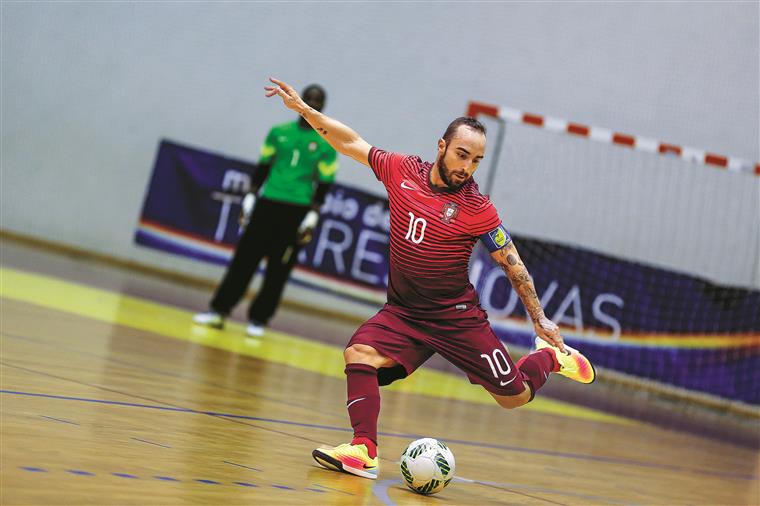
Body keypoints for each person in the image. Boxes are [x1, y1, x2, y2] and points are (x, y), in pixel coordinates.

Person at [265, 77, 595, 480]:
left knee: (515, 397)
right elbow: (351, 142)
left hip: (456, 319)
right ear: (441, 146)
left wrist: (540, 322)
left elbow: (514, 266)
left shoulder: (478, 208)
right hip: (404, 312)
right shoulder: (401, 171)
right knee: (359, 354)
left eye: (476, 160)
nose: (467, 167)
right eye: (461, 154)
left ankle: (551, 357)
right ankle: (364, 450)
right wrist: (305, 111)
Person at [193, 84, 338, 337]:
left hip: (297, 209)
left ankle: (259, 319)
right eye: (309, 98)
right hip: (268, 204)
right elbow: (263, 166)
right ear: (301, 101)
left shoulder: (327, 143)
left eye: (318, 101)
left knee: (278, 269)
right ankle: (218, 311)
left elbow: (324, 183)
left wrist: (314, 213)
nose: (313, 103)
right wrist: (251, 194)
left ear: (323, 106)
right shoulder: (278, 132)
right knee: (244, 260)